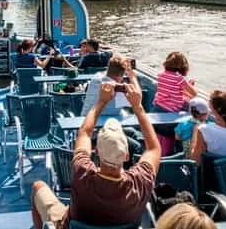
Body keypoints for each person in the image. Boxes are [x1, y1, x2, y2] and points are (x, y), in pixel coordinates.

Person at [31, 77, 160, 229]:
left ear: (96, 152)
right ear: (126, 156)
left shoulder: (82, 172)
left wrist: (101, 101)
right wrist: (138, 107)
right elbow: (153, 148)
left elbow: (85, 133)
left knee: (37, 186)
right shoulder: (140, 183)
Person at [189, 90, 226, 165]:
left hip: (212, 172)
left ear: (215, 111)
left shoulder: (204, 129)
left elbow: (195, 162)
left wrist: (195, 131)